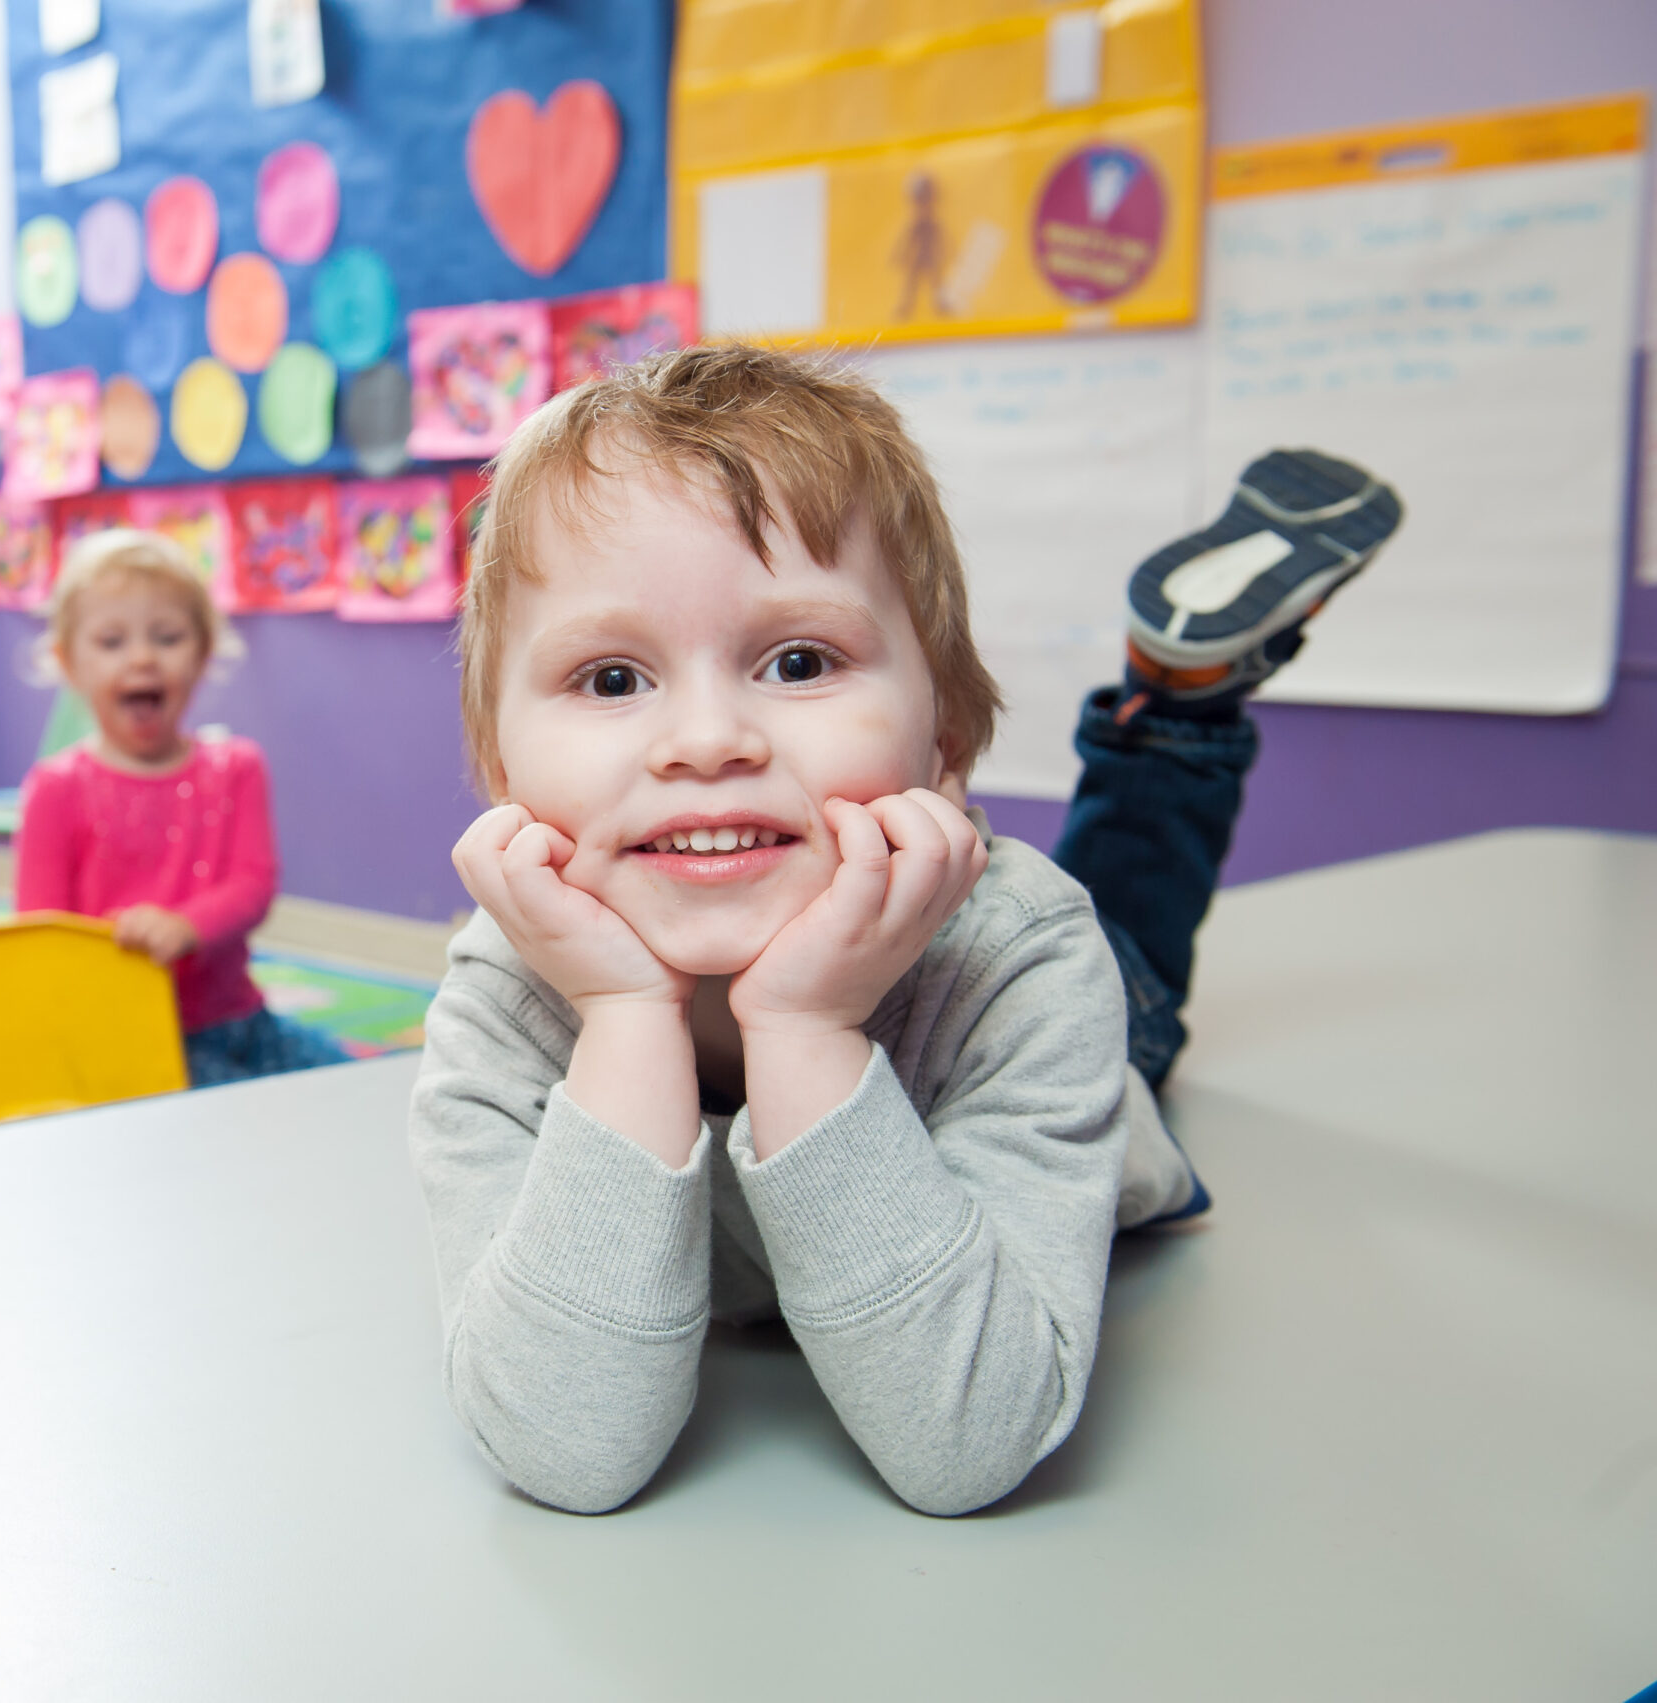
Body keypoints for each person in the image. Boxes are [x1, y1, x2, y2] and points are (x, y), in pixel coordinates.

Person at [410, 345, 1400, 1518]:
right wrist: (624, 1020)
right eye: (612, 678)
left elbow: (970, 1443)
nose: (709, 737)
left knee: (1130, 953)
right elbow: (566, 1447)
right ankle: (1167, 689)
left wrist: (805, 1027)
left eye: (798, 660)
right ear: (495, 764)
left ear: (945, 744)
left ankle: (1172, 704)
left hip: (1003, 977)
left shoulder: (1018, 959)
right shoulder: (497, 998)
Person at [14, 529, 346, 1087]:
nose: (142, 658)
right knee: (230, 1136)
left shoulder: (236, 767)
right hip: (127, 1039)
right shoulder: (55, 787)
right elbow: (41, 935)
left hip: (241, 1020)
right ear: (70, 664)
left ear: (203, 653)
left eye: (167, 637)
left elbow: (252, 884)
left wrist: (185, 927)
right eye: (112, 641)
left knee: (350, 1094)